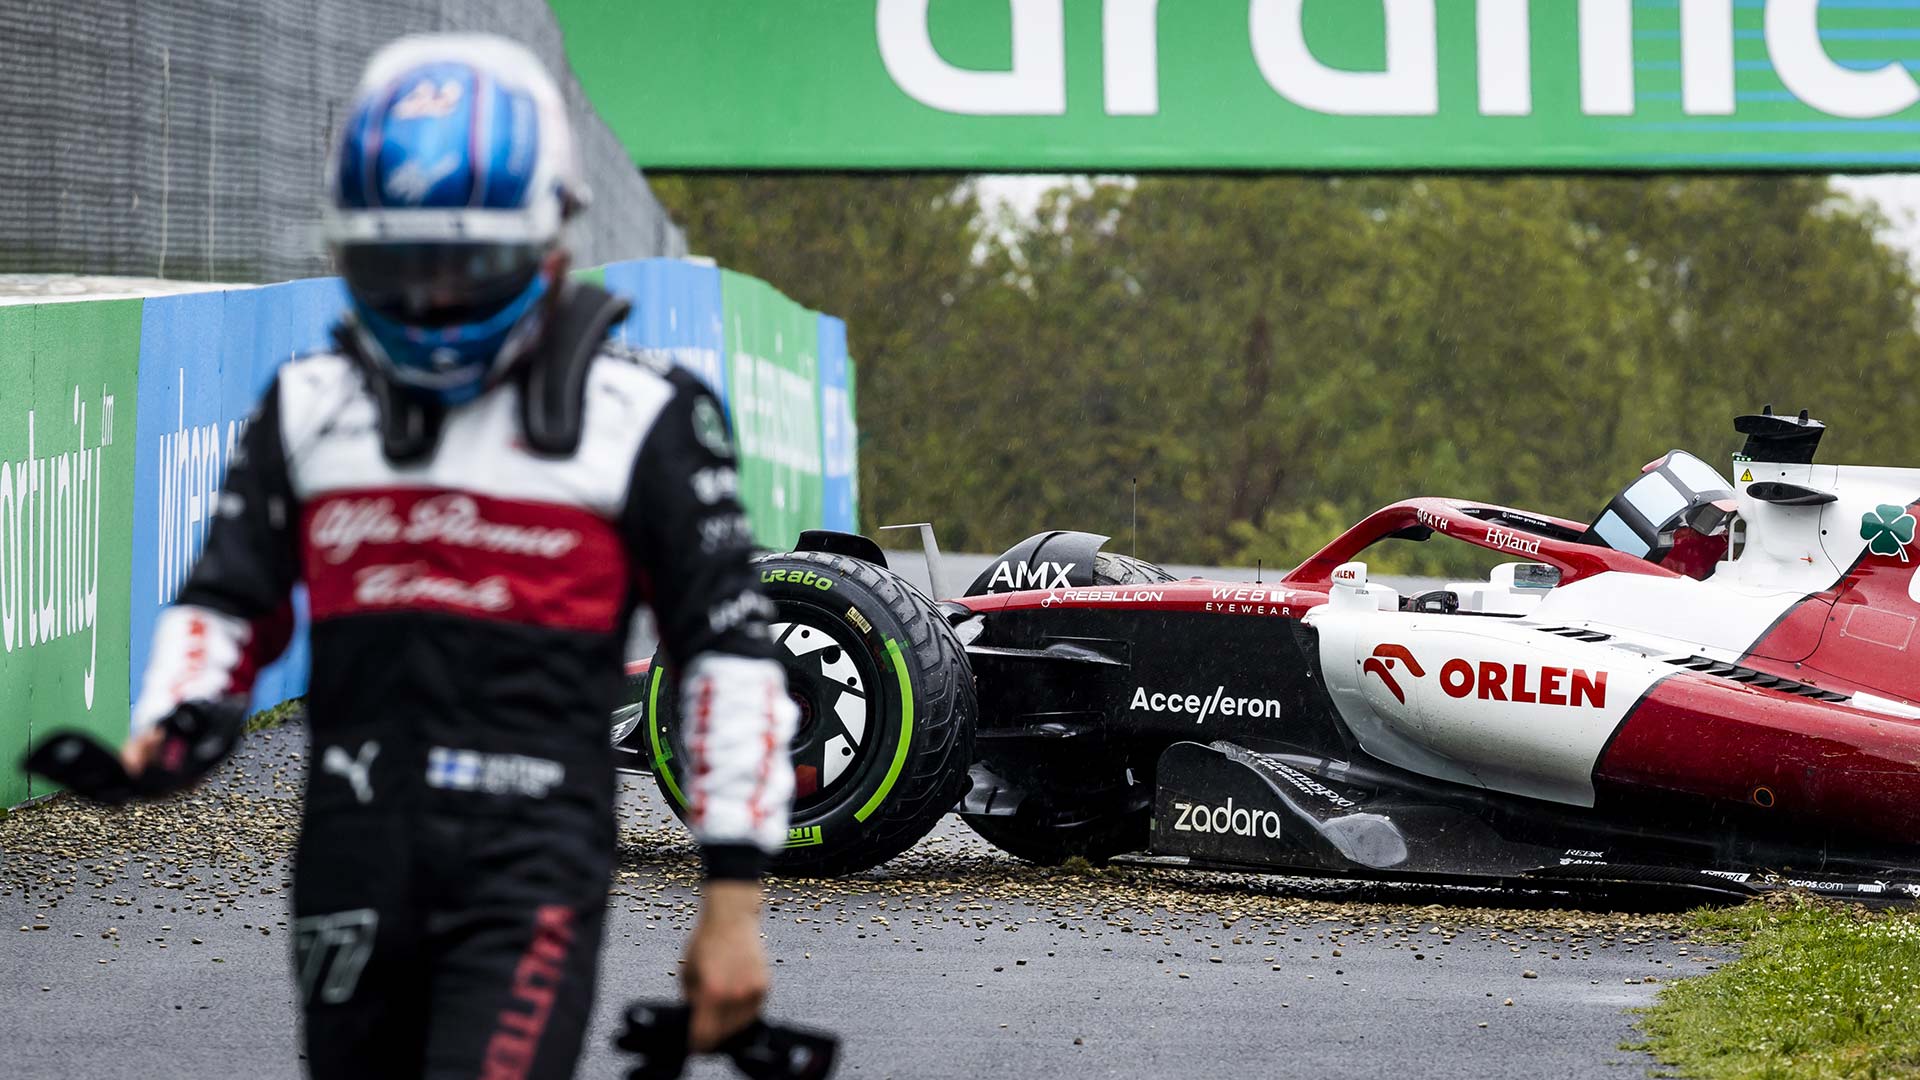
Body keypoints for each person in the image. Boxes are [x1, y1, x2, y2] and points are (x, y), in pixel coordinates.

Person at [117, 33, 797, 1079]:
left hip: (528, 865)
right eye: (398, 264)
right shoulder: (309, 405)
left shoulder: (643, 416)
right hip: (352, 857)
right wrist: (173, 727)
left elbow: (729, 652)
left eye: (465, 263)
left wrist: (734, 898)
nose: (431, 298)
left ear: (547, 239)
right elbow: (226, 598)